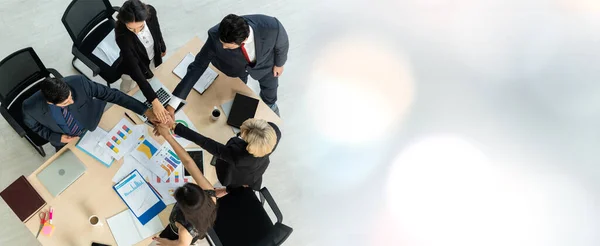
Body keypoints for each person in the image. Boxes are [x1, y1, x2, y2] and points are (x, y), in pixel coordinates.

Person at [167, 14, 289, 117]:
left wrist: (279, 63)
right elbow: (198, 65)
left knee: (270, 90)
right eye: (222, 43)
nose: (223, 47)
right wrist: (173, 104)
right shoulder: (215, 36)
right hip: (235, 69)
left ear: (244, 40)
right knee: (240, 94)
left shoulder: (272, 27)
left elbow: (282, 44)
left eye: (227, 46)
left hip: (266, 67)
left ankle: (271, 106)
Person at [22, 75, 155, 152]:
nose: (72, 101)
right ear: (51, 103)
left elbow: (113, 95)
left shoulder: (79, 82)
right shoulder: (30, 108)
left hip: (93, 123)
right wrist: (56, 138)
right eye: (66, 102)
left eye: (70, 96)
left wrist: (145, 111)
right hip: (66, 142)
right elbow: (36, 128)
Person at [158, 118, 281, 194]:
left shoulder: (238, 156)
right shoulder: (272, 134)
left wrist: (174, 126)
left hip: (235, 178)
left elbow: (205, 142)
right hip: (255, 173)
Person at [151, 124, 218, 245]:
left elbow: (181, 245)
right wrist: (167, 136)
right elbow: (188, 162)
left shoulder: (184, 226)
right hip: (202, 223)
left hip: (178, 236)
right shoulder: (210, 195)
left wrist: (165, 242)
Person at [115, 0, 169, 123]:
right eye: (131, 28)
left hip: (150, 57)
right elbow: (135, 71)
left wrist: (162, 46)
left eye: (141, 27)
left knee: (150, 77)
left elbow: (157, 30)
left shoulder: (151, 12)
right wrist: (154, 100)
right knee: (129, 89)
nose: (137, 32)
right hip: (131, 67)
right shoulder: (122, 37)